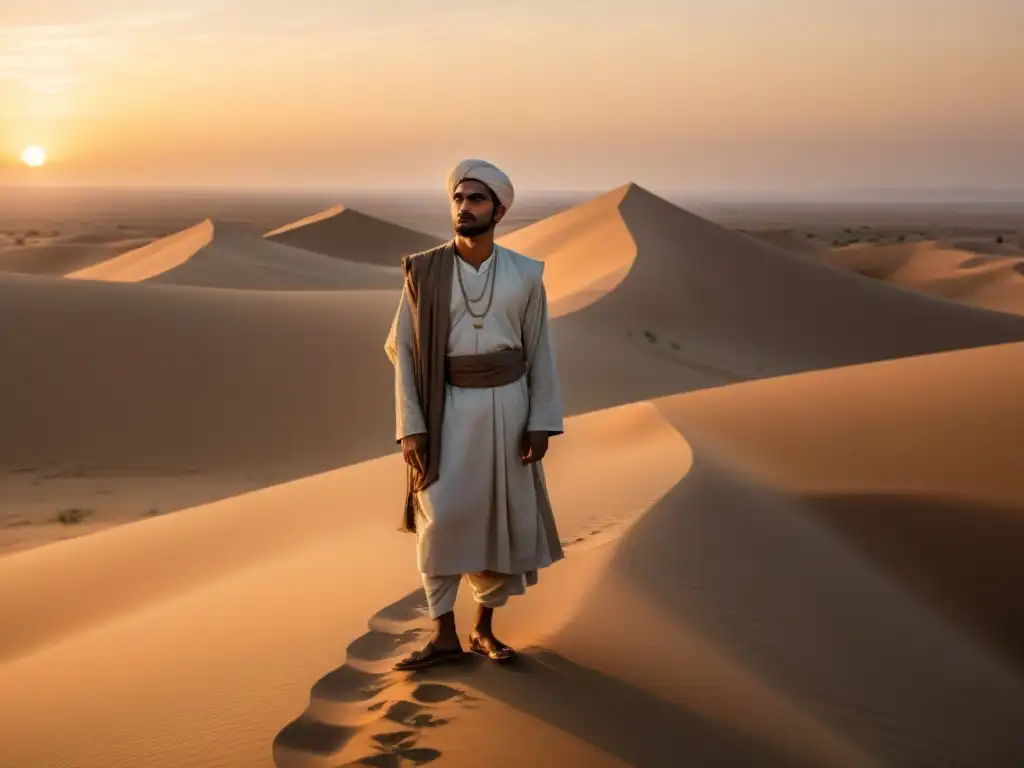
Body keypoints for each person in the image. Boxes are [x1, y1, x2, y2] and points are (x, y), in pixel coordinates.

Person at [384, 159, 565, 670]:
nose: (464, 207)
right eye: (458, 198)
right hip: (445, 412)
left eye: (476, 199)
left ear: (498, 210)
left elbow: (540, 349)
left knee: (498, 519)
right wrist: (411, 427)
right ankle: (443, 636)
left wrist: (541, 420)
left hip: (509, 409)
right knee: (438, 522)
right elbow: (402, 350)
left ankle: (483, 630)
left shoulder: (526, 274)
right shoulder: (423, 271)